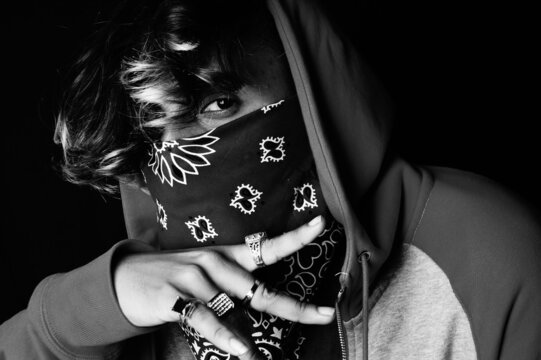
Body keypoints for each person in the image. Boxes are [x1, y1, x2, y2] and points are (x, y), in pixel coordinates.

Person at [1, 0, 540, 360]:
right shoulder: (146, 305)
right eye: (153, 128)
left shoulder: (481, 255)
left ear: (308, 83)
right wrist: (92, 305)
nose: (177, 155)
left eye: (219, 104)